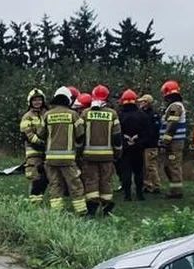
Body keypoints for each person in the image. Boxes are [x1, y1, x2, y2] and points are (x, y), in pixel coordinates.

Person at [42, 87, 87, 215]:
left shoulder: (47, 115)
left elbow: (41, 134)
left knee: (55, 184)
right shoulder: (73, 115)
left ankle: (56, 211)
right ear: (68, 100)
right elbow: (81, 134)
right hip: (68, 158)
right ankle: (81, 211)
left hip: (51, 158)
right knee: (75, 184)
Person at [81, 85, 122, 216]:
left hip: (89, 155)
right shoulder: (112, 114)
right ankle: (107, 204)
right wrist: (118, 152)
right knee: (106, 180)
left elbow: (80, 135)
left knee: (91, 180)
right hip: (107, 155)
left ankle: (92, 205)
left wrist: (79, 152)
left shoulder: (85, 113)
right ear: (107, 98)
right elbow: (117, 136)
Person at [115, 89, 149, 201]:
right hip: (138, 148)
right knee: (138, 171)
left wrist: (124, 141)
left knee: (126, 171)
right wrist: (138, 140)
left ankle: (127, 195)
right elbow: (147, 132)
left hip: (124, 148)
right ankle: (139, 194)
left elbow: (116, 132)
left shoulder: (119, 115)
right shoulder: (142, 115)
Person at [19, 87, 49, 205]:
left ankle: (39, 201)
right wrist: (41, 143)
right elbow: (28, 135)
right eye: (34, 100)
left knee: (46, 178)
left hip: (47, 152)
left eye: (39, 100)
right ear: (30, 102)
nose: (37, 102)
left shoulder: (46, 114)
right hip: (34, 153)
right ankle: (34, 204)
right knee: (35, 178)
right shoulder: (27, 117)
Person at [158, 80, 187, 198]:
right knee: (168, 165)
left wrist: (165, 141)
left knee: (173, 165)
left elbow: (172, 125)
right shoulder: (174, 106)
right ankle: (174, 189)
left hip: (174, 143)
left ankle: (176, 191)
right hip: (172, 142)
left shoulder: (175, 106)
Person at [137, 94, 162, 194]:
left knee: (150, 166)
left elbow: (155, 130)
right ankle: (147, 185)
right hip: (143, 145)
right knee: (144, 167)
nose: (140, 103)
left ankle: (156, 185)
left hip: (151, 145)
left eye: (142, 102)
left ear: (147, 103)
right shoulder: (142, 113)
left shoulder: (153, 114)